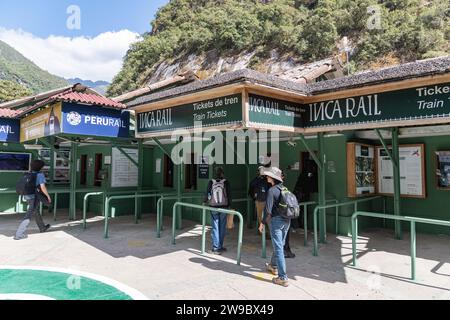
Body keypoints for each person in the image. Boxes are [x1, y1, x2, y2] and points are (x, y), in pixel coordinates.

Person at [259, 167, 290, 287]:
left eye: (268, 176)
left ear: (272, 178)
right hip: (286, 221)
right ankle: (273, 265)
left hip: (276, 222)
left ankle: (283, 277)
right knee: (280, 245)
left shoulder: (272, 190)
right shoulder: (285, 189)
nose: (267, 177)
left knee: (279, 249)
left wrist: (262, 223)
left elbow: (268, 211)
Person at [14, 160, 51, 240]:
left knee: (35, 211)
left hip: (26, 195)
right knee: (29, 215)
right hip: (34, 196)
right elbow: (42, 187)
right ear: (40, 167)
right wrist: (47, 196)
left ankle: (42, 227)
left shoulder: (27, 173)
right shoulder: (40, 175)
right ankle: (19, 234)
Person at [205, 167, 232, 255]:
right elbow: (229, 195)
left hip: (213, 207)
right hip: (224, 207)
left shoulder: (211, 182)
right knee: (222, 227)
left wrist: (205, 201)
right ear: (222, 174)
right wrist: (230, 205)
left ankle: (216, 248)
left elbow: (207, 194)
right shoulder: (226, 182)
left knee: (215, 227)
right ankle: (220, 246)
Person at [248, 166, 271, 237]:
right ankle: (264, 232)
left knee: (267, 218)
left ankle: (269, 233)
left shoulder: (266, 179)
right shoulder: (257, 179)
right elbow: (251, 186)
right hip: (260, 201)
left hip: (265, 201)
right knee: (261, 218)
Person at [281, 170, 296, 259]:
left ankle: (274, 263)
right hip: (279, 217)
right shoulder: (278, 189)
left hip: (284, 215)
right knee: (281, 239)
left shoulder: (281, 188)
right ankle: (275, 264)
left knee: (283, 238)